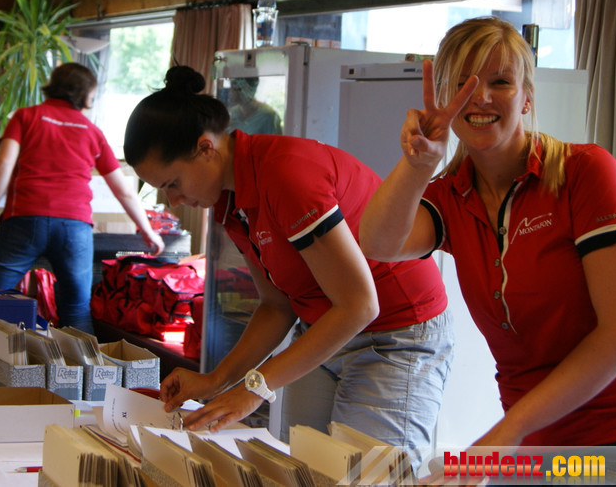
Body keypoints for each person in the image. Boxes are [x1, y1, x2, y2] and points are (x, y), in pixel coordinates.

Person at [359, 17, 616, 481]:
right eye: (464, 84)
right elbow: (377, 243)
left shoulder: (584, 172)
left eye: (501, 82)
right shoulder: (451, 195)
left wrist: (503, 436)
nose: (481, 97)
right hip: (534, 445)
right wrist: (418, 163)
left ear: (527, 97)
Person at [123, 65, 453, 452]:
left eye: (173, 184)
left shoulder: (285, 173)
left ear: (206, 148)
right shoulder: (229, 201)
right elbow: (276, 306)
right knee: (300, 465)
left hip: (395, 334)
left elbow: (359, 306)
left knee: (367, 473)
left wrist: (253, 388)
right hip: (324, 329)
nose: (174, 201)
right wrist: (216, 380)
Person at [0, 62, 165, 333]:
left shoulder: (26, 117)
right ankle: (84, 362)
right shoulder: (92, 132)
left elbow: (3, 164)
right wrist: (147, 230)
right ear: (87, 96)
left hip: (24, 220)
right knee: (76, 311)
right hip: (75, 228)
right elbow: (122, 189)